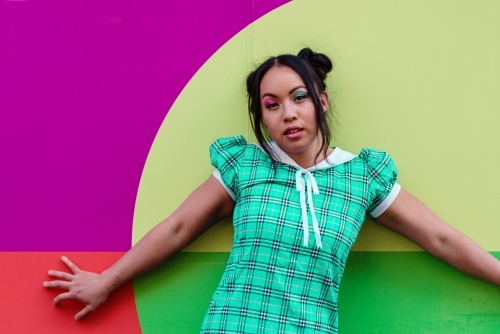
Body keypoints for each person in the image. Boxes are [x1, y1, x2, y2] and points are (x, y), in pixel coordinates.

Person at [44, 48, 500, 333]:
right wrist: (106, 282)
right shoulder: (246, 166)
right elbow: (179, 227)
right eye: (272, 104)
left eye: (299, 97)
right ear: (261, 117)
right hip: (231, 327)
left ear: (321, 101)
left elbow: (440, 239)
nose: (288, 113)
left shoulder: (362, 176)